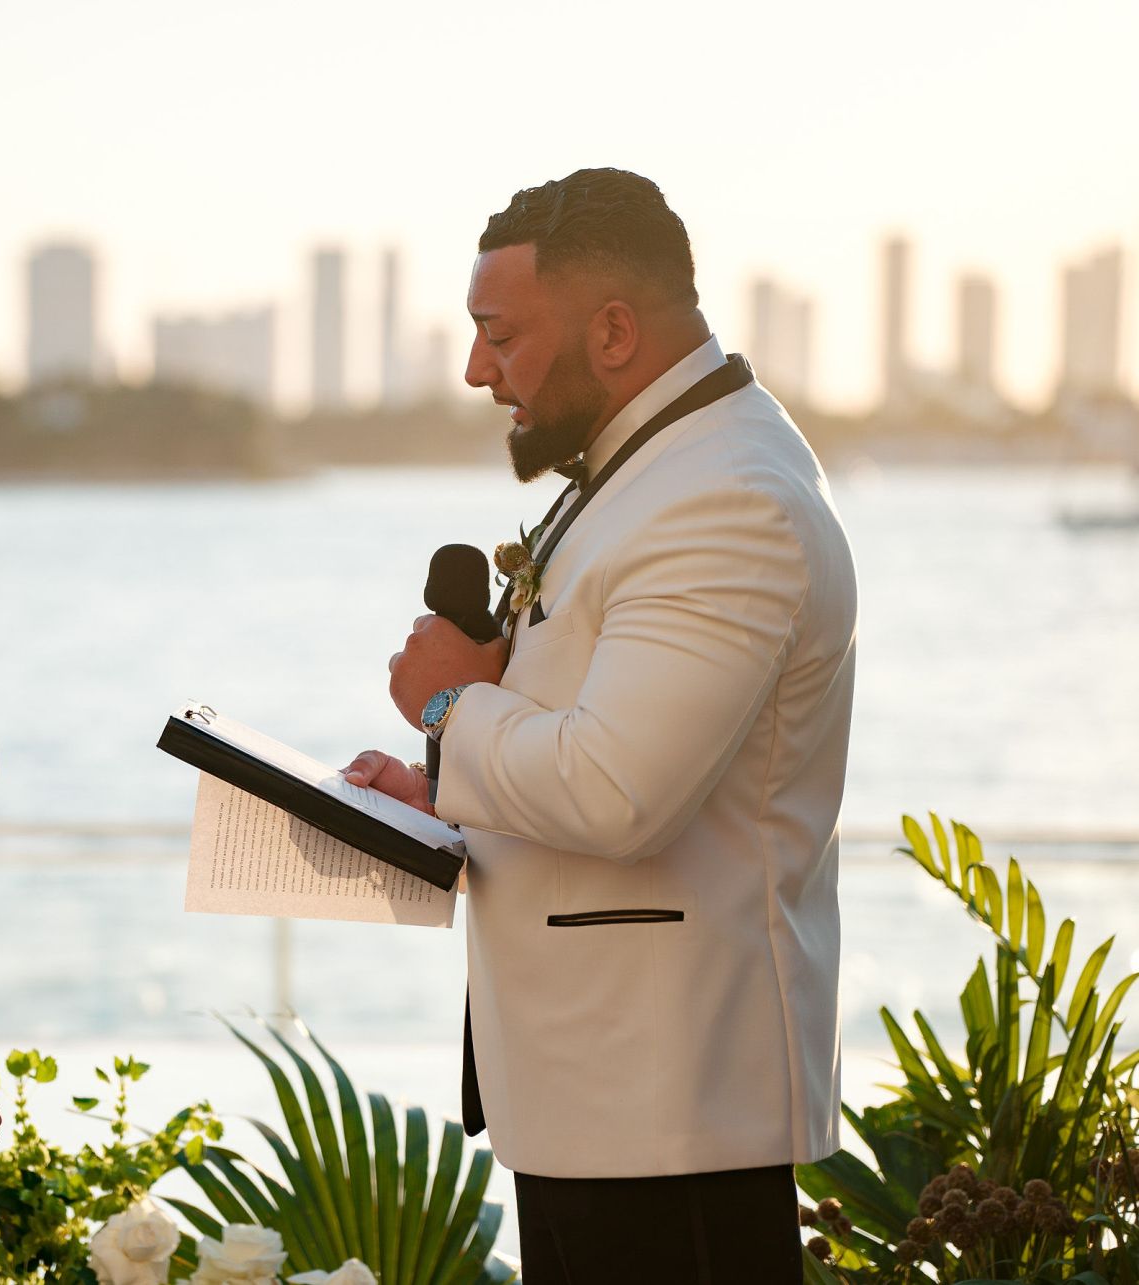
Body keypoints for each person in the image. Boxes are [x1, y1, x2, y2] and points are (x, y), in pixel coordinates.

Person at [343, 169, 856, 1282]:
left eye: (501, 334)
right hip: (606, 1097)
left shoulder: (726, 499)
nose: (479, 369)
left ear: (615, 329)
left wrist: (447, 705)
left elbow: (618, 790)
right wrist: (444, 794)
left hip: (670, 1107)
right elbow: (600, 738)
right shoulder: (655, 470)